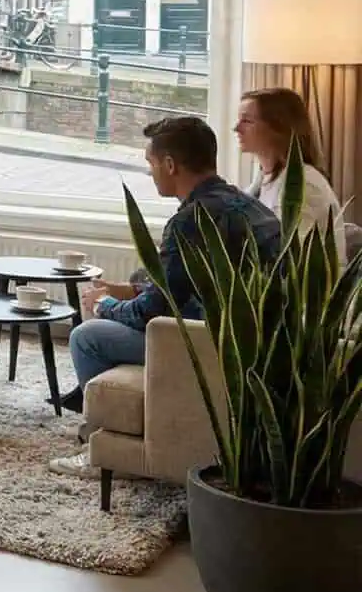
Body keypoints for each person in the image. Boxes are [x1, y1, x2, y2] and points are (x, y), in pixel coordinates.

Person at [49, 117, 281, 474]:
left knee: (87, 337)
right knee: (138, 279)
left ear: (170, 164)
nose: (151, 172)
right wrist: (132, 291)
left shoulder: (189, 220)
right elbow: (189, 284)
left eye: (151, 163)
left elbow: (150, 311)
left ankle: (102, 449)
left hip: (213, 345)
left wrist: (105, 305)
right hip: (256, 340)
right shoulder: (246, 205)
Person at [235, 86, 346, 258]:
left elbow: (288, 257)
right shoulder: (263, 179)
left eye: (247, 121)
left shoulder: (305, 184)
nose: (236, 128)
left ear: (278, 127)